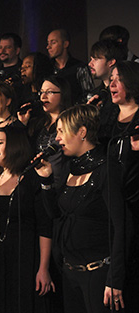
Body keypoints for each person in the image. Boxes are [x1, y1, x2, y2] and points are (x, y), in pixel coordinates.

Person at [35, 105, 126, 312]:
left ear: (82, 132)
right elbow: (55, 215)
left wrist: (114, 278)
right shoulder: (70, 167)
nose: (57, 139)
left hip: (98, 273)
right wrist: (46, 181)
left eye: (61, 131)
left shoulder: (106, 169)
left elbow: (121, 227)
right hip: (70, 271)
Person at [0, 126, 54, 313]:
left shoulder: (32, 177)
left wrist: (43, 268)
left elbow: (45, 224)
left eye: (0, 143)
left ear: (15, 146)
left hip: (25, 255)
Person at [99, 61, 139, 312]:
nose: (111, 84)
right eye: (110, 78)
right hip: (109, 209)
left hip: (134, 208)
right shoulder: (108, 117)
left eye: (118, 79)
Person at [18, 76, 72, 189]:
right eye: (41, 92)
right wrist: (22, 125)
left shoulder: (70, 123)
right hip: (37, 183)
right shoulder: (38, 123)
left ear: (63, 94)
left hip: (61, 184)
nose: (43, 97)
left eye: (49, 92)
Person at [46, 29, 94, 104]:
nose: (48, 47)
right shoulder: (47, 68)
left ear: (65, 44)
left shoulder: (79, 67)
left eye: (53, 42)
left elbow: (88, 94)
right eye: (48, 43)